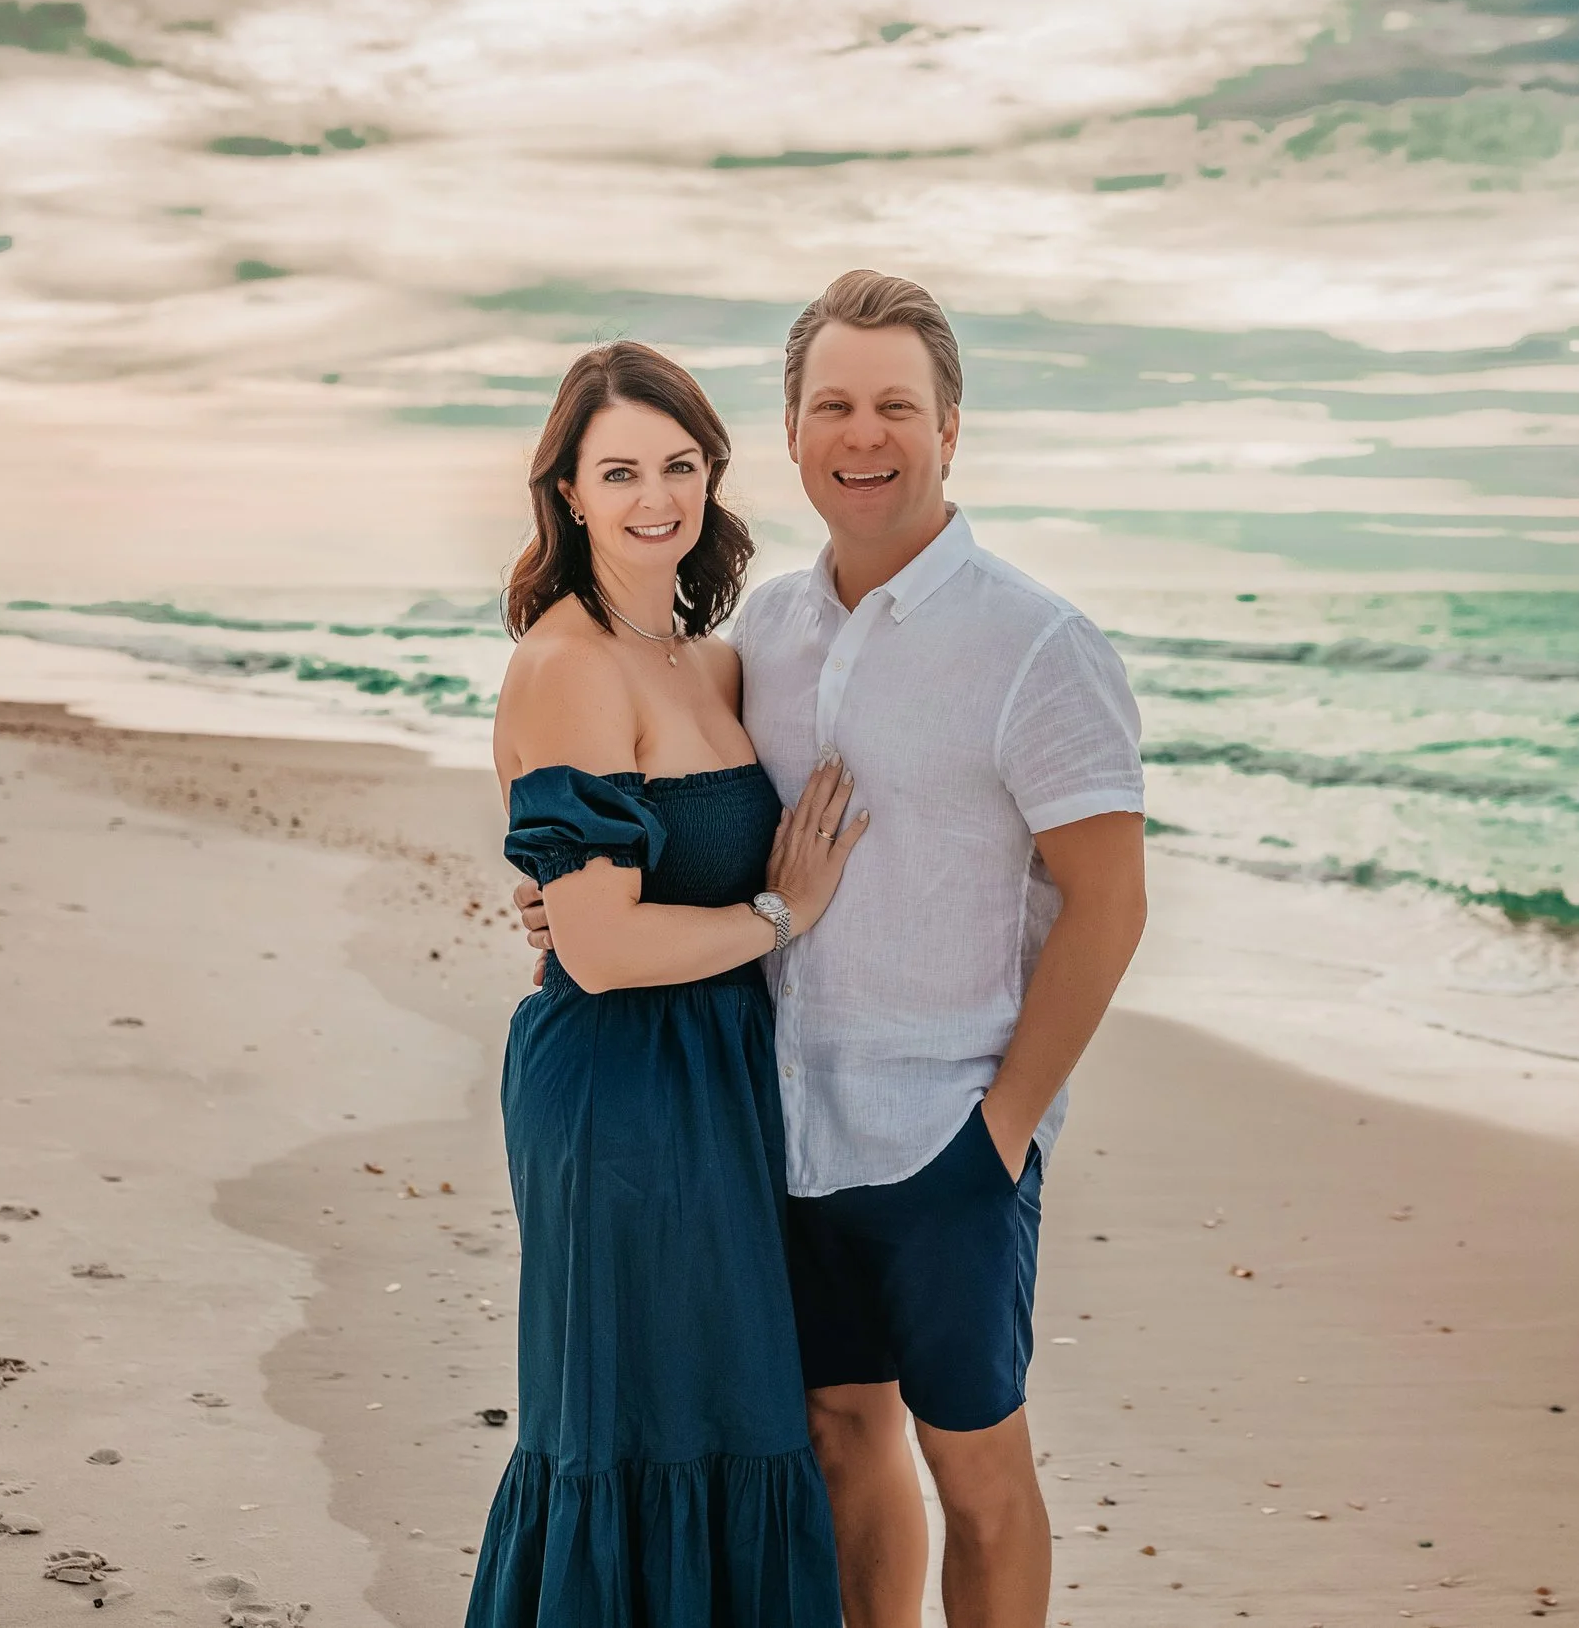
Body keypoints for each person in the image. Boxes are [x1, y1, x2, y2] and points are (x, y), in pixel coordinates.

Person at [520, 271, 1150, 1626]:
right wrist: (568, 903)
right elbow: (674, 810)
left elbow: (1110, 904)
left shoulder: (1039, 644)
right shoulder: (764, 637)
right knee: (837, 1439)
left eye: (896, 407)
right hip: (778, 1129)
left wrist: (1006, 1127)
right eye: (835, 407)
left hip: (946, 1134)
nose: (865, 436)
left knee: (978, 1470)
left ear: (949, 429)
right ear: (794, 433)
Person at [467, 340, 860, 1626]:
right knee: (633, 1424)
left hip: (721, 1073)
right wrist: (782, 912)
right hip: (621, 1093)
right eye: (621, 470)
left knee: (728, 1410)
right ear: (568, 492)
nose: (656, 497)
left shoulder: (710, 660)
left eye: (680, 465)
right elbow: (599, 950)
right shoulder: (568, 663)